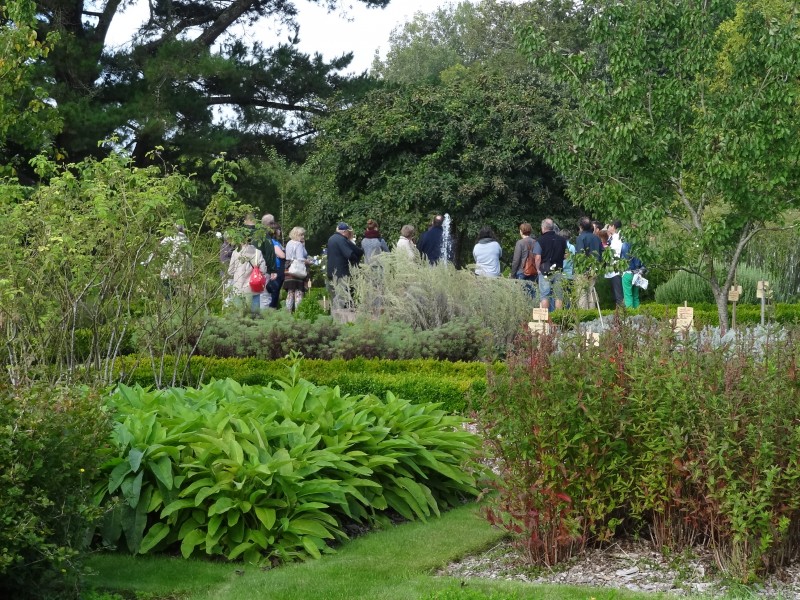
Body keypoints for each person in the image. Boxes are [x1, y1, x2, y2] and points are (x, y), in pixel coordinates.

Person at [326, 222, 364, 307]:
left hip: (331, 272)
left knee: (334, 296)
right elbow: (349, 254)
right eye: (348, 232)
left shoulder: (331, 238)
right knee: (342, 297)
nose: (349, 234)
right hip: (341, 273)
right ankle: (341, 318)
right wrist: (356, 261)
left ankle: (334, 316)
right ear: (344, 232)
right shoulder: (341, 239)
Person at [227, 236, 267, 313]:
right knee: (254, 313)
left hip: (239, 286)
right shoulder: (257, 252)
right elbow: (263, 270)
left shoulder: (236, 253)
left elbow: (230, 271)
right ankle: (254, 323)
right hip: (254, 285)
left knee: (239, 312)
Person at [537, 218, 568, 311]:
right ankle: (557, 319)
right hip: (558, 269)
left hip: (545, 270)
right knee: (558, 295)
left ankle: (545, 320)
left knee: (544, 295)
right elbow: (566, 255)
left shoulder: (540, 240)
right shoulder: (562, 240)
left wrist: (538, 269)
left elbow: (538, 257)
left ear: (543, 227)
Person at [574, 216, 603, 310]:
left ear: (580, 227)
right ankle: (593, 313)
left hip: (583, 269)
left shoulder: (580, 238)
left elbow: (580, 255)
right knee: (591, 291)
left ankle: (584, 316)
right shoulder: (597, 238)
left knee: (582, 292)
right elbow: (601, 252)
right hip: (595, 268)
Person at [509, 222, 541, 300]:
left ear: (521, 231)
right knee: (532, 294)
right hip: (533, 271)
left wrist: (513, 275)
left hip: (522, 271)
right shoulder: (536, 242)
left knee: (522, 296)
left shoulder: (520, 243)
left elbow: (516, 260)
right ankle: (532, 310)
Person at [284, 226, 311, 312]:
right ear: (296, 234)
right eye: (301, 235)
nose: (303, 236)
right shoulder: (298, 244)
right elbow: (300, 259)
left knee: (290, 293)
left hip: (288, 269)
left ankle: (287, 313)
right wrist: (308, 262)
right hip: (297, 271)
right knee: (298, 292)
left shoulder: (289, 243)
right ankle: (298, 313)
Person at [159, 224, 190, 297]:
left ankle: (170, 298)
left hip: (174, 267)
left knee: (165, 279)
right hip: (183, 268)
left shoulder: (172, 237)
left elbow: (161, 247)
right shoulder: (186, 239)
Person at [605, 219, 625, 307]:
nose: (608, 227)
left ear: (613, 226)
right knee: (616, 293)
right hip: (614, 269)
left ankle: (621, 313)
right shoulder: (613, 237)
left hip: (616, 269)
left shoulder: (618, 238)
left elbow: (616, 253)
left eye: (609, 225)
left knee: (618, 294)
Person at [265, 225, 286, 309]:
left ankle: (272, 307)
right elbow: (282, 255)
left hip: (274, 268)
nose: (280, 232)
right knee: (275, 289)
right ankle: (272, 308)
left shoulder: (270, 241)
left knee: (275, 289)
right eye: (279, 230)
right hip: (277, 268)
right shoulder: (273, 242)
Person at [559, 229, 576, 307]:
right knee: (569, 295)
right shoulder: (572, 247)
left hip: (562, 274)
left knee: (560, 295)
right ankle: (569, 310)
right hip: (570, 274)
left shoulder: (561, 246)